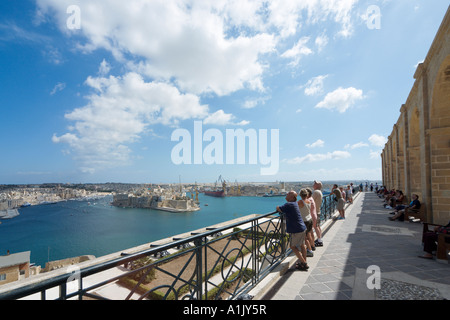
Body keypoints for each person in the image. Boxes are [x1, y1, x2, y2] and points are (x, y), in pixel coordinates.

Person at [276, 191, 309, 271]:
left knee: (292, 247)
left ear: (292, 197)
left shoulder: (289, 204)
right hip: (302, 228)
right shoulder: (295, 204)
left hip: (296, 229)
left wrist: (277, 207)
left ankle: (304, 263)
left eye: (288, 194)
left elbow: (279, 209)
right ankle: (303, 262)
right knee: (302, 245)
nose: (286, 194)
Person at [298, 188, 314, 257]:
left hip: (304, 220)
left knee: (305, 238)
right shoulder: (308, 201)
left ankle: (310, 250)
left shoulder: (300, 202)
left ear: (300, 195)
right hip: (309, 219)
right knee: (308, 235)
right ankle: (311, 247)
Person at [312, 180, 324, 247]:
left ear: (317, 185)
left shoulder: (316, 192)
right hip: (318, 211)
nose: (313, 184)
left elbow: (311, 200)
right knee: (318, 226)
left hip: (315, 212)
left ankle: (319, 241)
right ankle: (319, 239)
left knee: (315, 227)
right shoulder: (319, 192)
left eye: (315, 183)